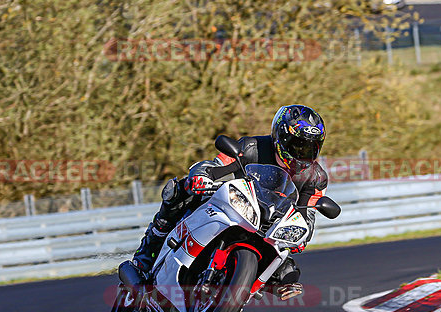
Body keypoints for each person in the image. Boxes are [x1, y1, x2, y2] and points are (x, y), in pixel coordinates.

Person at [130, 104, 328, 301]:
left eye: (311, 148)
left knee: (289, 272)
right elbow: (215, 166)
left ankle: (246, 287)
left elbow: (307, 216)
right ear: (281, 137)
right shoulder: (251, 147)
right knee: (180, 191)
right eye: (298, 145)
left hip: (269, 227)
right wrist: (201, 176)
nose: (303, 153)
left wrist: (300, 236)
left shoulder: (316, 178)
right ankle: (146, 255)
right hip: (236, 205)